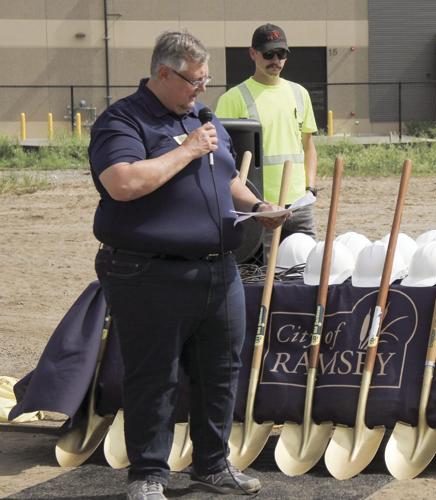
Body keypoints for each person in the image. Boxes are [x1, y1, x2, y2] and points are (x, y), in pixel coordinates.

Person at [89, 30, 286, 500]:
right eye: (194, 81)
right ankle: (149, 475)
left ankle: (212, 465)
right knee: (154, 376)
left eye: (206, 80)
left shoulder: (200, 115)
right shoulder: (123, 121)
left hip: (219, 269)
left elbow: (224, 178)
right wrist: (187, 148)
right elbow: (122, 183)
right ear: (163, 73)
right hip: (149, 271)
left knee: (221, 370)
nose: (202, 90)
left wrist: (258, 205)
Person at [216, 23, 318, 264]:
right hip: (261, 206)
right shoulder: (234, 98)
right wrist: (254, 204)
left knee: (305, 269)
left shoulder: (299, 93)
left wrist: (310, 188)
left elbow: (308, 145)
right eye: (269, 54)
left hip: (300, 205)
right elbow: (222, 156)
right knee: (264, 276)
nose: (276, 60)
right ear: (253, 53)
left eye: (281, 54)